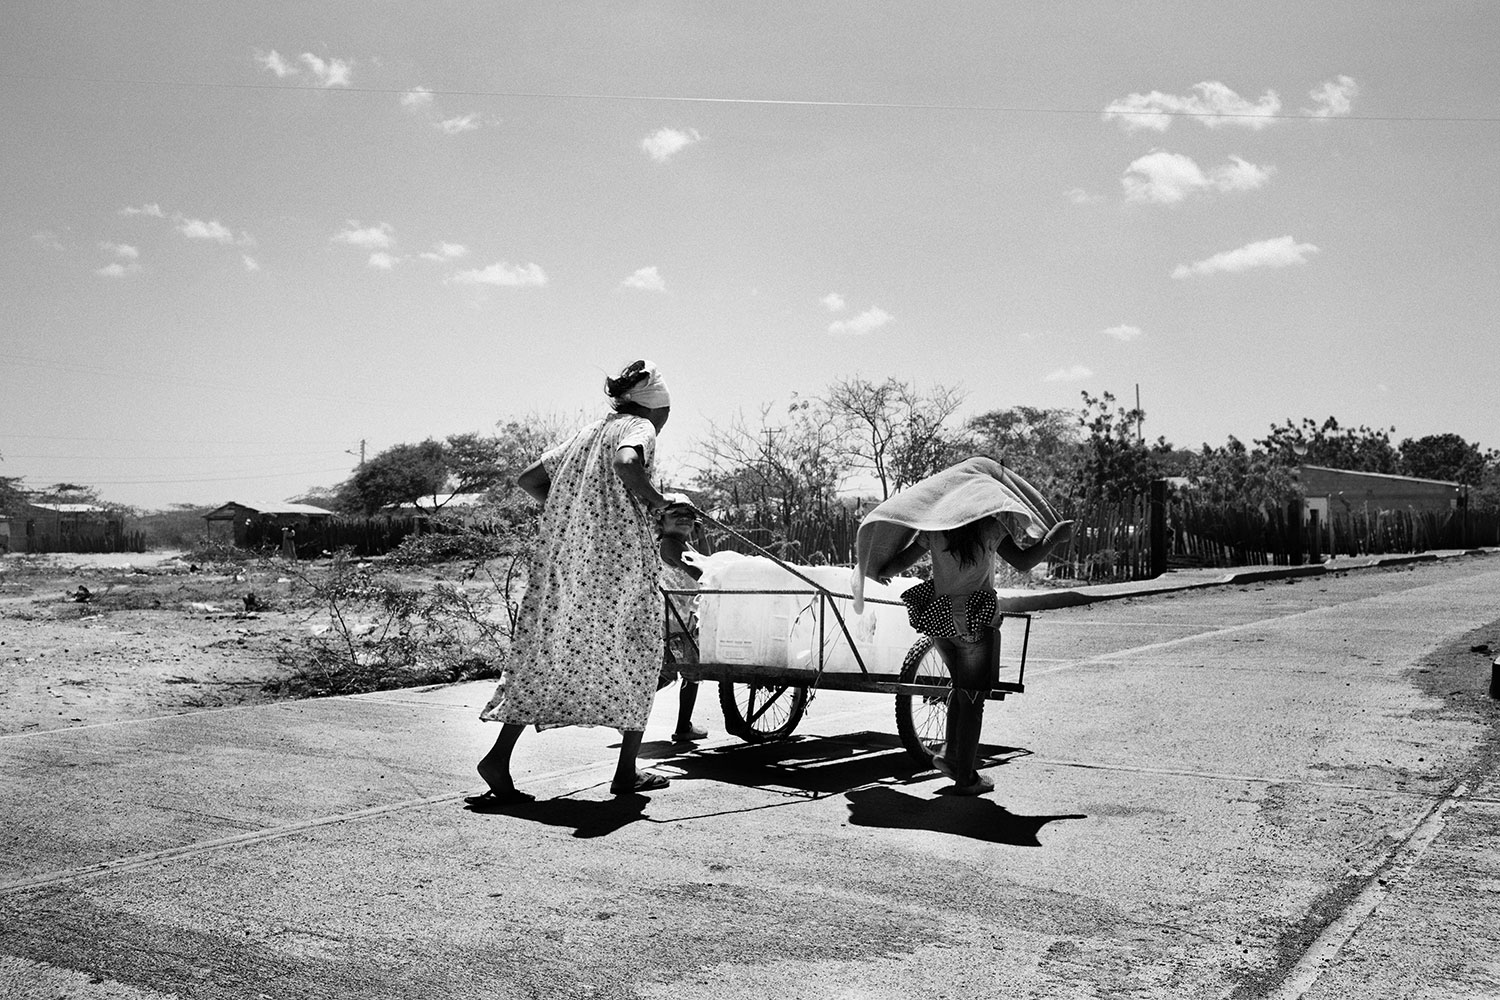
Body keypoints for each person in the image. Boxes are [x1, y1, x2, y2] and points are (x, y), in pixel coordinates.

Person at [470, 359, 678, 805]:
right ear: (654, 408)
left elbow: (529, 480)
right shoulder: (639, 428)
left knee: (548, 651)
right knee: (638, 653)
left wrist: (574, 509)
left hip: (570, 563)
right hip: (618, 568)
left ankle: (498, 758)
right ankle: (625, 773)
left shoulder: (588, 432)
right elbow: (627, 464)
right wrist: (658, 504)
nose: (665, 418)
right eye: (666, 410)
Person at [852, 457, 1074, 796]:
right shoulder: (990, 528)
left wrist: (878, 568)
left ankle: (954, 755)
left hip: (940, 621)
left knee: (960, 688)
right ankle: (965, 775)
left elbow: (899, 562)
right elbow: (1026, 562)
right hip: (974, 622)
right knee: (973, 697)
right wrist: (1054, 540)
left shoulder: (934, 529)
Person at [656, 496, 707, 742]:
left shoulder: (684, 545)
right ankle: (627, 713)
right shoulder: (670, 545)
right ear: (661, 521)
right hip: (673, 621)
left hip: (680, 618)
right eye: (676, 514)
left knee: (681, 673)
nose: (684, 517)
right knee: (676, 673)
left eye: (689, 514)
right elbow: (699, 573)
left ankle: (684, 725)